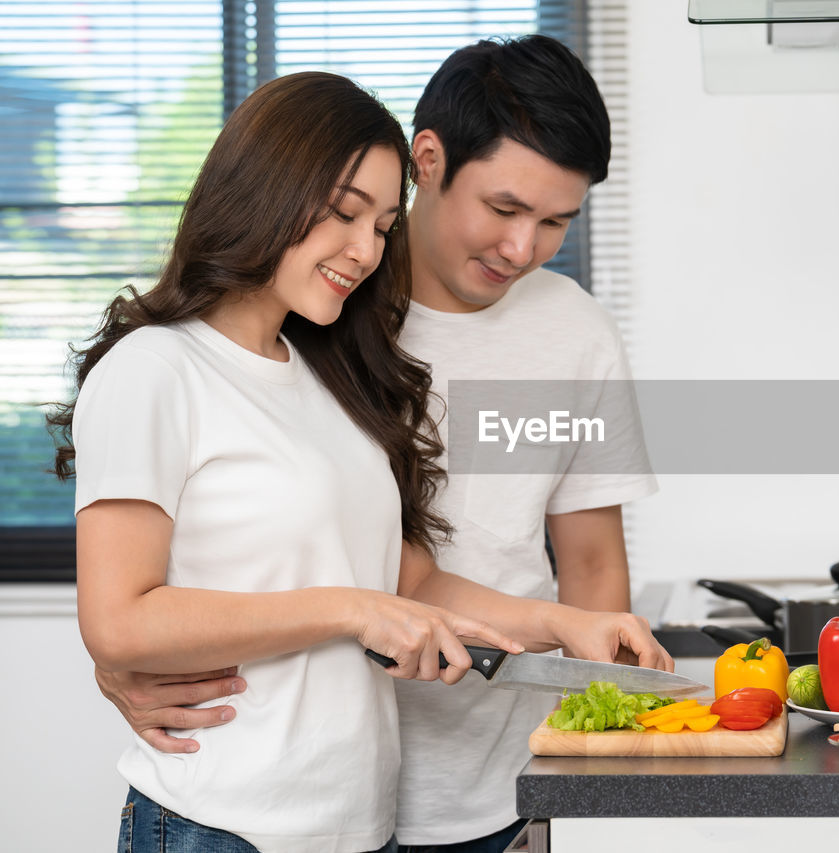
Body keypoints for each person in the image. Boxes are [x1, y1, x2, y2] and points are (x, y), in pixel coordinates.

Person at [93, 35, 666, 853]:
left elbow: (415, 573)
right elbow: (135, 601)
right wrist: (122, 661)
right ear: (427, 159)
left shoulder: (334, 357)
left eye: (554, 223)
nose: (522, 247)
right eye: (505, 209)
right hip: (248, 811)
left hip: (418, 798)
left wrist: (564, 630)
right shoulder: (241, 345)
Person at [53, 70, 527, 852]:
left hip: (356, 824)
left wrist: (570, 626)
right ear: (265, 187)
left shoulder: (328, 374)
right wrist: (349, 608)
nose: (367, 249)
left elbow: (403, 581)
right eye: (345, 214)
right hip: (223, 824)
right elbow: (118, 620)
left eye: (382, 226)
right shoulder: (156, 369)